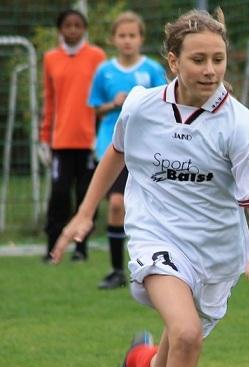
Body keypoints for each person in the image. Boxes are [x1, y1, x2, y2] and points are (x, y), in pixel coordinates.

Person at [51, 9, 249, 367]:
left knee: (173, 357)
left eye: (218, 59)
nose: (210, 69)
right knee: (188, 335)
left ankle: (136, 363)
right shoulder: (142, 106)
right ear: (172, 60)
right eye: (198, 59)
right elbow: (116, 155)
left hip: (217, 254)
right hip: (155, 234)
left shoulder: (242, 128)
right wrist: (83, 215)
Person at [88, 11, 167, 289]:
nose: (127, 41)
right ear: (113, 39)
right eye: (122, 36)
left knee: (148, 210)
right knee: (117, 205)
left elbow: (166, 106)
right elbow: (95, 108)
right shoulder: (104, 71)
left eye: (132, 35)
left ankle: (154, 266)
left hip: (147, 149)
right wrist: (114, 104)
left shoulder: (153, 70)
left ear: (141, 39)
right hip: (112, 145)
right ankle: (116, 270)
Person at [39, 9, 106, 262]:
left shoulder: (97, 56)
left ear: (84, 29)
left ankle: (81, 249)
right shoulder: (51, 58)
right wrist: (44, 138)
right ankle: (52, 247)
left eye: (78, 25)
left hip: (88, 141)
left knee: (85, 196)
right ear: (60, 29)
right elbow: (50, 100)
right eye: (68, 25)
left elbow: (102, 97)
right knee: (58, 195)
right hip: (61, 141)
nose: (73, 30)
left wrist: (99, 136)